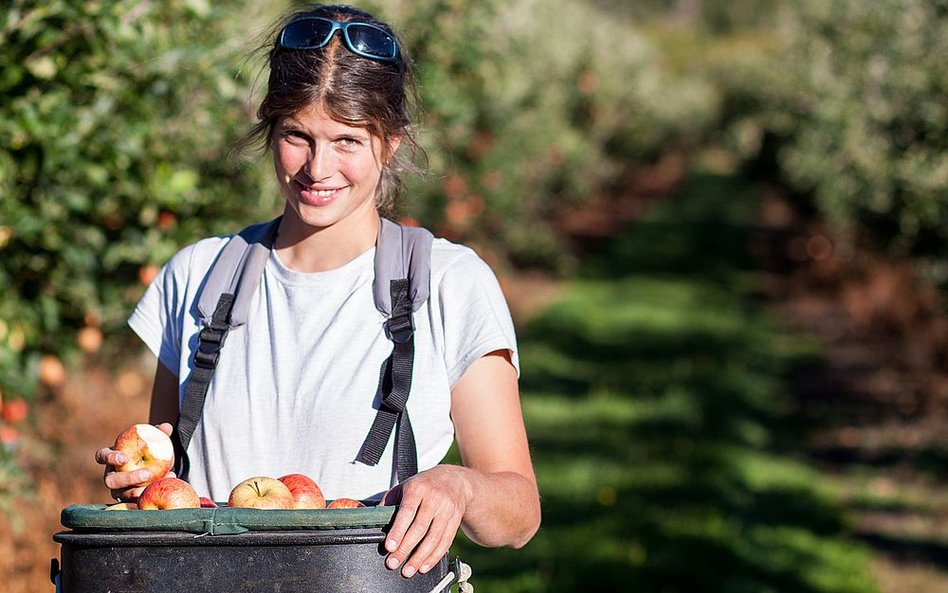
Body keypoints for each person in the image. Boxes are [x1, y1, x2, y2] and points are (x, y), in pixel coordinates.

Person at [93, 2, 540, 580]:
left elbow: (519, 513)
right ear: (269, 128)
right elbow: (163, 484)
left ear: (392, 141)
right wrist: (137, 479)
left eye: (348, 141)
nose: (318, 167)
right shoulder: (198, 276)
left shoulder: (449, 285)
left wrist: (458, 487)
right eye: (297, 136)